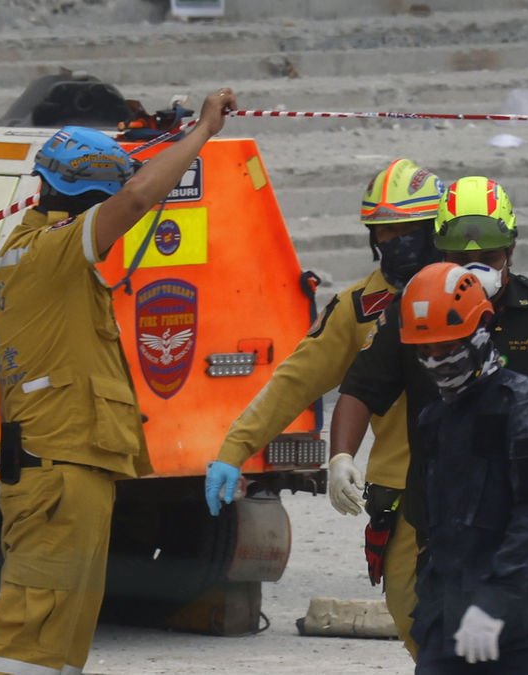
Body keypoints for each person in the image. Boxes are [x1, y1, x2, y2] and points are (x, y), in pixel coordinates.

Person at [0, 90, 235, 675]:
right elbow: (141, 196)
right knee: (29, 644)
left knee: (58, 649)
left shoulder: (38, 252)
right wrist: (199, 135)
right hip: (57, 473)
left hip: (72, 470)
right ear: (89, 201)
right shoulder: (54, 252)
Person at [333, 175, 528, 644]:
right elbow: (360, 388)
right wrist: (340, 457)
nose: (474, 268)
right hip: (445, 523)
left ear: (512, 251)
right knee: (442, 648)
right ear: (441, 254)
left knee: (526, 651)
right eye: (460, 259)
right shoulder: (413, 309)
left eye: (489, 258)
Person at [204, 158, 444, 657]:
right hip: (401, 494)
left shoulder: (477, 292)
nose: (392, 243)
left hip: (480, 485)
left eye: (405, 231)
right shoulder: (359, 309)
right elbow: (295, 381)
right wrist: (235, 448)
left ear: (435, 227)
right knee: (418, 626)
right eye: (383, 232)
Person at [403, 262, 528, 674]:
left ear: (482, 332)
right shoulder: (435, 420)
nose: (436, 362)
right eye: (425, 352)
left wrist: (493, 603)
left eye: (446, 349)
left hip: (522, 628)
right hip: (448, 623)